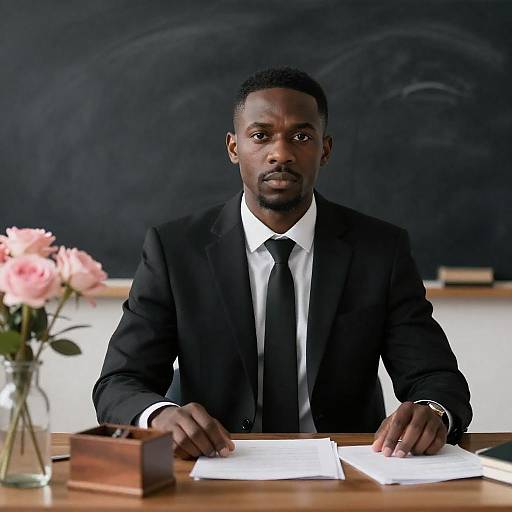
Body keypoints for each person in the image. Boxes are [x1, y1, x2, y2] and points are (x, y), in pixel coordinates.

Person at [93, 67, 471, 460]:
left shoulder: (379, 250)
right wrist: (158, 416)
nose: (281, 153)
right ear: (233, 147)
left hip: (348, 466)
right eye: (260, 136)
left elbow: (437, 378)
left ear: (324, 149)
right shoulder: (175, 250)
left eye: (301, 136)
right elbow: (120, 381)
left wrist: (433, 412)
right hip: (216, 464)